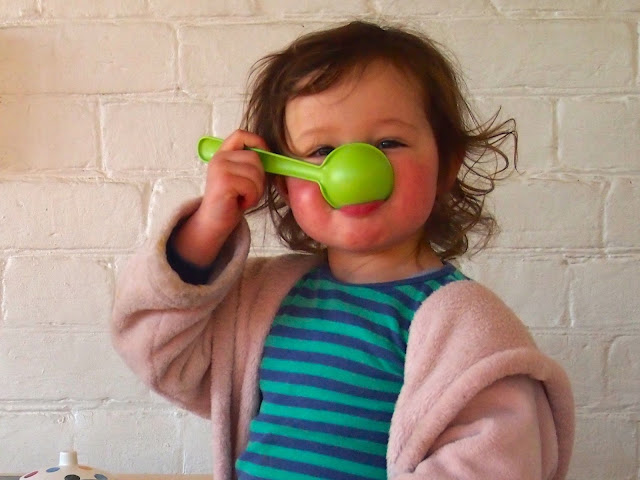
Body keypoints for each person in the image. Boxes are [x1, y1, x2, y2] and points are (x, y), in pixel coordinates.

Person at [111, 20, 574, 480]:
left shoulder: (469, 326)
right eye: (321, 151)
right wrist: (206, 229)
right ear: (283, 181)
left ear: (446, 165)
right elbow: (155, 352)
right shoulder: (260, 300)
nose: (352, 169)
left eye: (387, 143)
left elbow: (496, 463)